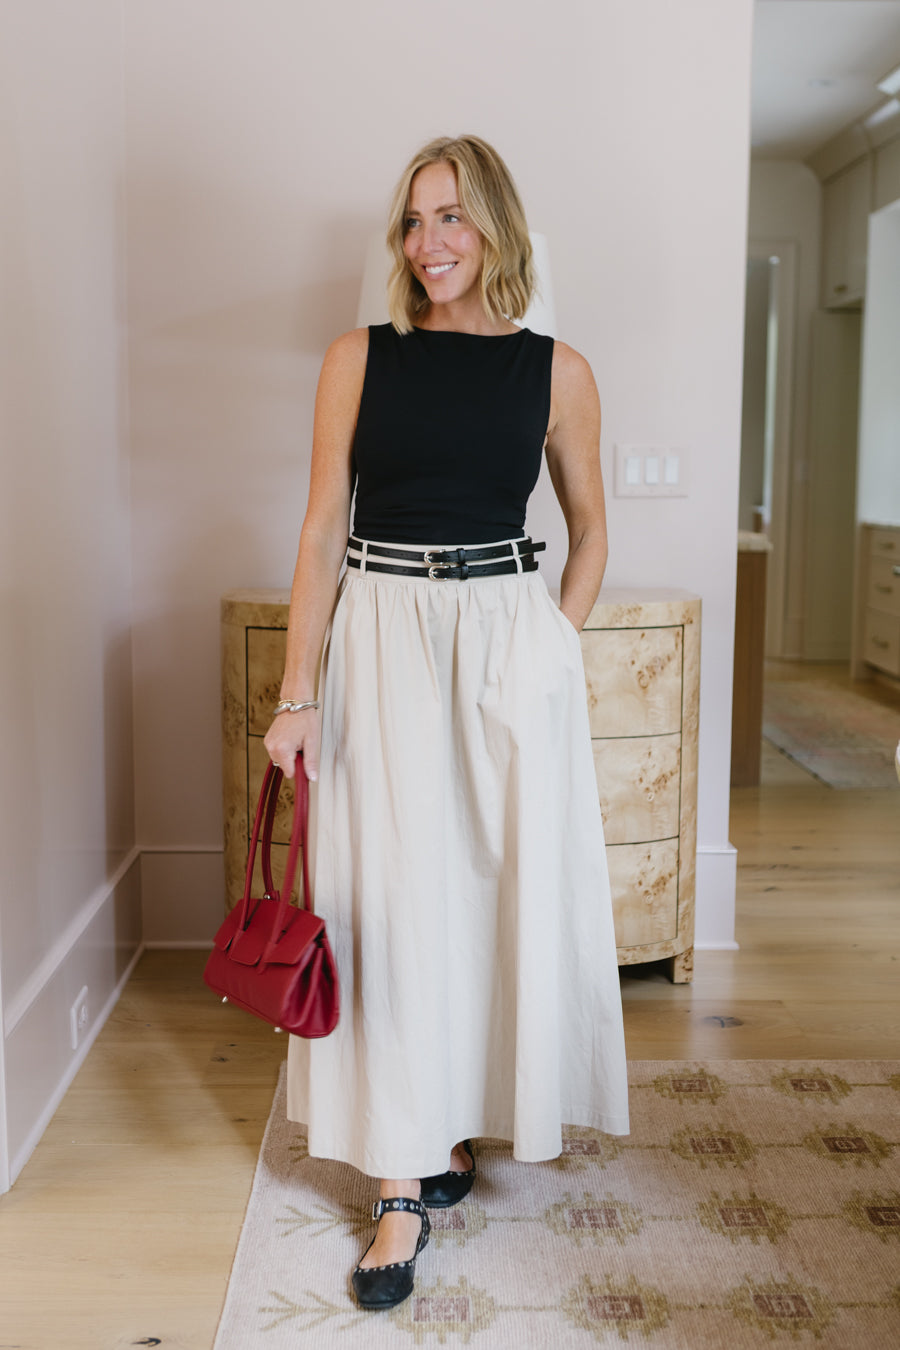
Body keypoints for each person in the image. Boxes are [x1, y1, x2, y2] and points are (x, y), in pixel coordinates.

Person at [263, 133, 629, 1311]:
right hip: (381, 630)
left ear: (497, 228)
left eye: (453, 216)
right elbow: (321, 530)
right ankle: (399, 1185)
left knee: (481, 895)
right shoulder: (357, 358)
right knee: (385, 899)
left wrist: (551, 647)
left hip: (505, 632)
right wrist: (297, 691)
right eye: (416, 220)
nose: (431, 241)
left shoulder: (558, 371)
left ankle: (450, 1121)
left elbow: (592, 530)